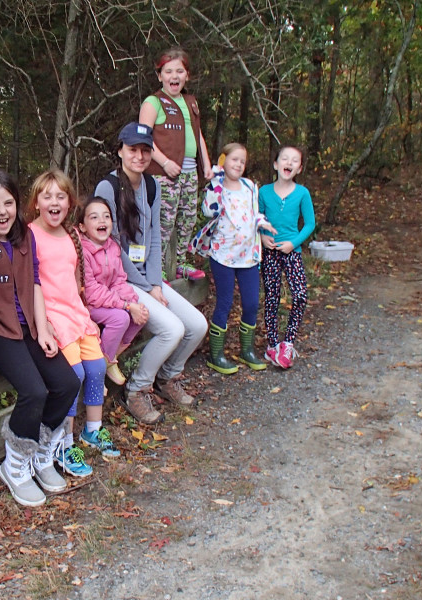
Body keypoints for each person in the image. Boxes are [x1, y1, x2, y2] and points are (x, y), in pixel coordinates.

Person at [0, 169, 80, 507]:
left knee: (67, 383)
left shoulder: (23, 237)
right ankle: (15, 466)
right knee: (34, 391)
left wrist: (44, 329)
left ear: (18, 205)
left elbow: (34, 284)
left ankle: (42, 453)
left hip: (29, 326)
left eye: (8, 203)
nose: (2, 212)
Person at [94, 122, 207, 422]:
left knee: (197, 324)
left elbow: (155, 237)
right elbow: (112, 244)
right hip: (123, 282)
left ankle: (168, 377)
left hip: (148, 280)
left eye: (145, 150)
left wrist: (155, 283)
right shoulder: (108, 187)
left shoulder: (152, 185)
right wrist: (145, 285)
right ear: (120, 150)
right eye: (133, 149)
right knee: (172, 329)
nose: (140, 156)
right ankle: (136, 388)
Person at [27, 169, 117, 476]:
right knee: (73, 375)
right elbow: (29, 284)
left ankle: (93, 429)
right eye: (47, 196)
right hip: (52, 317)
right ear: (36, 202)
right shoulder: (29, 235)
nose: (54, 202)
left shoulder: (70, 235)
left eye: (61, 196)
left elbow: (75, 277)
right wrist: (42, 324)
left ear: (69, 203)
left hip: (76, 313)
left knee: (96, 368)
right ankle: (63, 444)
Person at [189, 143, 276, 374]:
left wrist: (262, 224)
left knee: (251, 303)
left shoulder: (249, 186)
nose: (238, 164)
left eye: (242, 161)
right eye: (234, 159)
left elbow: (254, 213)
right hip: (223, 255)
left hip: (249, 256)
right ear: (223, 160)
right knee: (225, 303)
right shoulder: (216, 187)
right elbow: (209, 210)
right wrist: (215, 180)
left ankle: (247, 350)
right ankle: (216, 354)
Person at [139, 47, 213, 281]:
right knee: (163, 223)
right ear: (159, 76)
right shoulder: (154, 102)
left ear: (187, 75)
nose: (174, 76)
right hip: (164, 174)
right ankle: (157, 268)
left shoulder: (191, 102)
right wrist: (164, 162)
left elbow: (197, 134)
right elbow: (144, 137)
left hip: (190, 172)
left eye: (179, 71)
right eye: (168, 71)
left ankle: (180, 263)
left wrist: (207, 164)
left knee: (187, 219)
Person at [78, 196, 148, 386]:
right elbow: (92, 292)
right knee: (121, 318)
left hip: (109, 301)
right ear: (82, 226)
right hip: (88, 305)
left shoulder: (113, 247)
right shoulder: (83, 252)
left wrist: (132, 302)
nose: (102, 221)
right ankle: (100, 367)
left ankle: (109, 358)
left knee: (140, 315)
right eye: (94, 217)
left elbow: (119, 279)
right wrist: (125, 305)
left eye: (106, 216)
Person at [258, 145, 315, 369]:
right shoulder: (263, 192)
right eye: (284, 159)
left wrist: (294, 243)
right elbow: (258, 218)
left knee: (300, 295)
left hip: (292, 251)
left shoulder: (302, 193)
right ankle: (273, 345)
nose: (288, 163)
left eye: (294, 161)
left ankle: (288, 342)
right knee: (271, 298)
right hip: (270, 252)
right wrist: (262, 236)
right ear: (275, 164)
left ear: (299, 168)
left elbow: (310, 223)